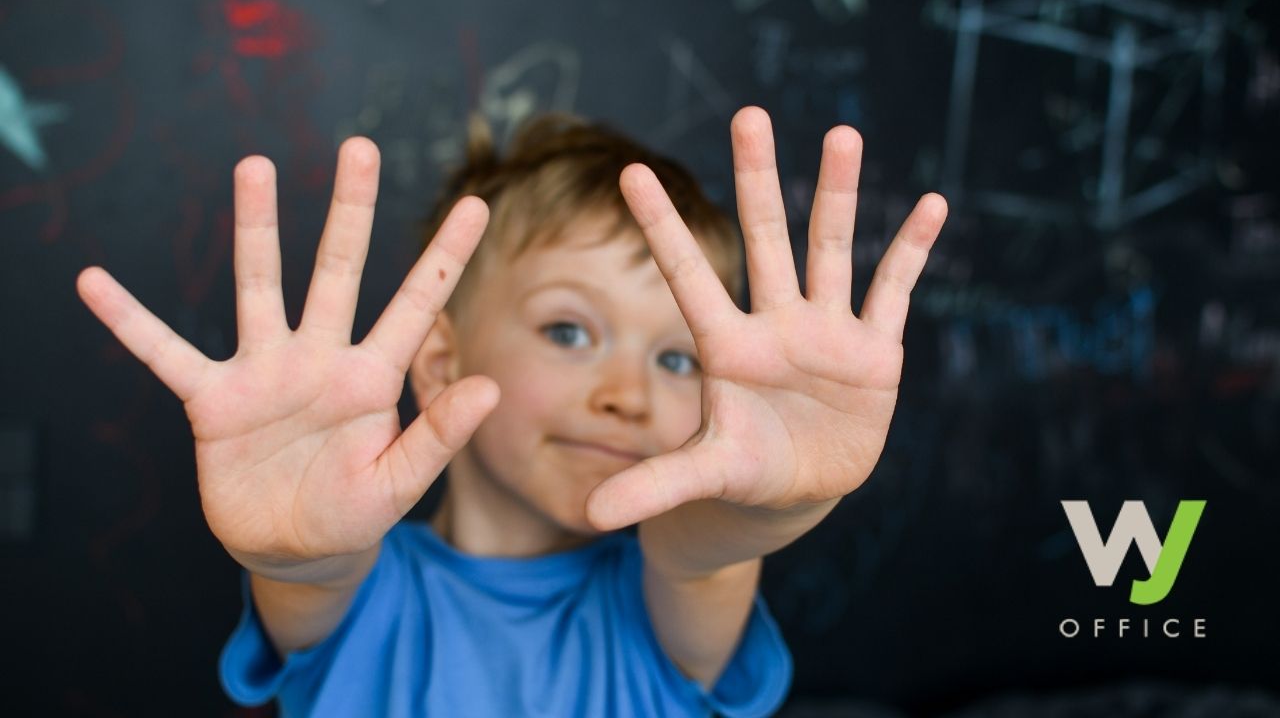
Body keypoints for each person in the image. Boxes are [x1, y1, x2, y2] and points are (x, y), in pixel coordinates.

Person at [74, 106, 947, 716]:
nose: (628, 393)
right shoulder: (361, 591)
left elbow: (705, 555)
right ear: (443, 360)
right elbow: (314, 576)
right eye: (569, 330)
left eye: (679, 357)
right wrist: (297, 547)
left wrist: (780, 497)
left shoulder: (671, 589)